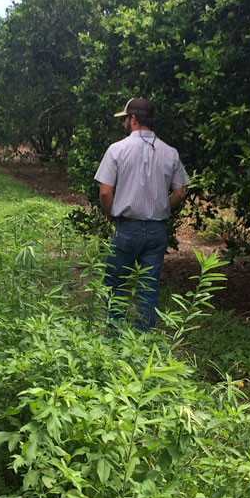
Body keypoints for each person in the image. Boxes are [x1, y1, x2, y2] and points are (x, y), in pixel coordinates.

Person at [95, 97, 190, 330]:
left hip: (127, 227)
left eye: (125, 118)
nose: (123, 123)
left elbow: (106, 192)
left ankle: (113, 335)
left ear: (134, 119)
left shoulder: (117, 150)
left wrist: (111, 216)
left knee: (114, 284)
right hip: (157, 230)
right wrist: (160, 208)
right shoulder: (171, 153)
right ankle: (143, 340)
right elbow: (180, 193)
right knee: (149, 288)